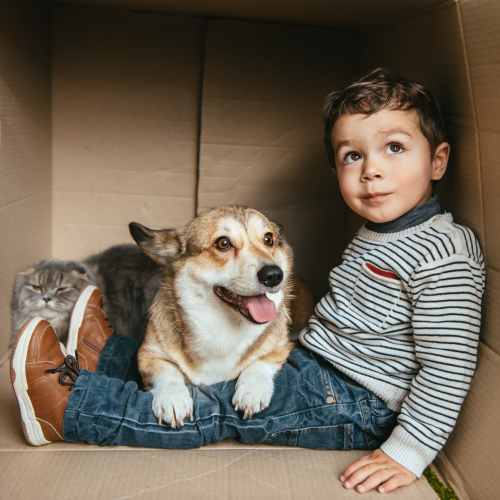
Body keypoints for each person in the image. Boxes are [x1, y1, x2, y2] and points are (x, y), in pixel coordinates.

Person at [10, 68, 486, 494]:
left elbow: (449, 367)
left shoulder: (445, 252)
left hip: (358, 403)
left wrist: (408, 451)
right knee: (214, 369)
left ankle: (74, 410)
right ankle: (105, 353)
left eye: (395, 148)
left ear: (439, 161)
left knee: (217, 409)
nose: (372, 170)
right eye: (352, 156)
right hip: (315, 364)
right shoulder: (380, 230)